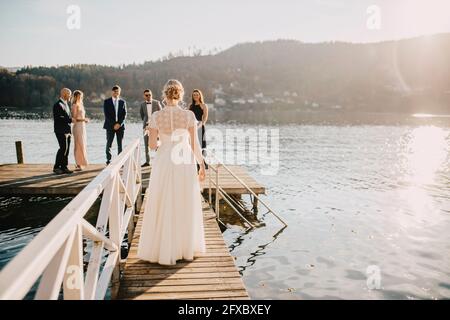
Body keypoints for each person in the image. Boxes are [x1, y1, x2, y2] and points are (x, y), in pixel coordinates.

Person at [137, 79, 206, 265]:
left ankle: (163, 248)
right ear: (181, 94)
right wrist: (202, 164)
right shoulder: (189, 115)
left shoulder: (156, 117)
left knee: (163, 199)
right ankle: (184, 247)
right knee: (184, 199)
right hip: (183, 159)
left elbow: (152, 146)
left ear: (164, 95)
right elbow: (194, 145)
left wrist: (162, 143)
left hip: (164, 160)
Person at [103, 85, 127, 165]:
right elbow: (107, 115)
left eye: (118, 92)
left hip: (120, 126)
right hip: (110, 126)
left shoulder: (122, 102)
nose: (116, 93)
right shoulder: (107, 102)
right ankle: (108, 160)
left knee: (120, 144)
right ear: (112, 92)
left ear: (119, 92)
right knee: (109, 143)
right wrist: (114, 124)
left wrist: (119, 124)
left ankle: (119, 160)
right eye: (115, 91)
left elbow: (124, 114)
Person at [52, 88, 73, 175]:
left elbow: (66, 117)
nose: (70, 96)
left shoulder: (66, 104)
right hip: (60, 130)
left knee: (66, 149)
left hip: (67, 130)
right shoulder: (58, 105)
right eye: (69, 94)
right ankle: (56, 167)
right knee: (63, 148)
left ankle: (64, 167)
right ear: (64, 94)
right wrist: (71, 120)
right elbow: (59, 118)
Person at [139, 89, 162, 167]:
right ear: (144, 96)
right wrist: (146, 123)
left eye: (149, 95)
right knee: (146, 144)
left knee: (157, 144)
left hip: (156, 127)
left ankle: (159, 161)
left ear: (151, 95)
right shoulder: (142, 104)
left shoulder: (157, 103)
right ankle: (147, 162)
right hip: (146, 127)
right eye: (146, 95)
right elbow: (142, 115)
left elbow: (161, 114)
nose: (148, 96)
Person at [189, 89, 209, 169]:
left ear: (200, 95)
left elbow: (205, 118)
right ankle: (199, 163)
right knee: (193, 145)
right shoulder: (190, 106)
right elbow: (188, 117)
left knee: (200, 146)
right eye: (194, 95)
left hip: (200, 127)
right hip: (192, 127)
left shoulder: (204, 105)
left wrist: (201, 124)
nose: (196, 96)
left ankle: (201, 162)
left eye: (197, 95)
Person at [71, 90, 89, 171]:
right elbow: (74, 118)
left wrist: (84, 120)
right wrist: (83, 120)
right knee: (78, 145)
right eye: (79, 96)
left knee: (83, 144)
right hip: (77, 126)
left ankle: (81, 163)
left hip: (82, 127)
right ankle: (78, 164)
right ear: (75, 96)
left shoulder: (81, 105)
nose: (80, 97)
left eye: (81, 96)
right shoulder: (74, 105)